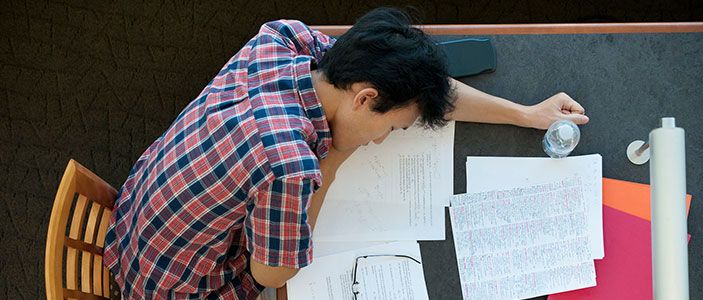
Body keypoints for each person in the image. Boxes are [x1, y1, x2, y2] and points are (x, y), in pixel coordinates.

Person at [103, 7, 589, 300]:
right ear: (364, 99)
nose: (382, 139)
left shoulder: (284, 39)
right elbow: (270, 273)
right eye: (390, 127)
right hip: (173, 285)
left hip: (134, 217)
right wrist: (331, 161)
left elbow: (417, 85)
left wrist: (525, 114)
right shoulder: (290, 163)